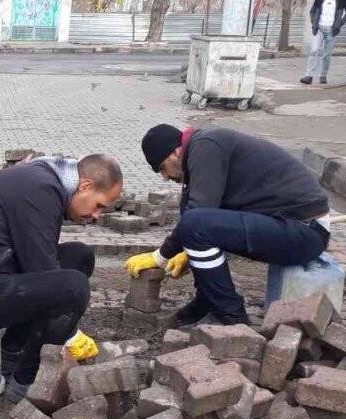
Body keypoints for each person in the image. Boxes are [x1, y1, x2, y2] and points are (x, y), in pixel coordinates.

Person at [0, 155, 122, 399]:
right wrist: (70, 334)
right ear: (86, 186)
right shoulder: (40, 190)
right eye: (99, 205)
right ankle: (29, 383)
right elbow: (46, 275)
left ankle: (11, 353)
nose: (97, 215)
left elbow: (40, 266)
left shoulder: (44, 182)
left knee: (78, 256)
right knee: (72, 288)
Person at [129, 124, 330, 326]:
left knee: (195, 223)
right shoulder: (204, 148)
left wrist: (161, 257)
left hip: (304, 230)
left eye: (162, 168)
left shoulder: (206, 145)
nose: (164, 177)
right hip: (285, 226)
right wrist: (187, 250)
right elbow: (197, 211)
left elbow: (199, 215)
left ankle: (232, 315)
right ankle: (208, 299)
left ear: (175, 151)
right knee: (189, 212)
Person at [301, 0, 346, 85]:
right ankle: (309, 76)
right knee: (314, 50)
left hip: (332, 30)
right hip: (319, 29)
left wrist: (340, 23)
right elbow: (312, 11)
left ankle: (323, 75)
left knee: (327, 54)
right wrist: (314, 22)